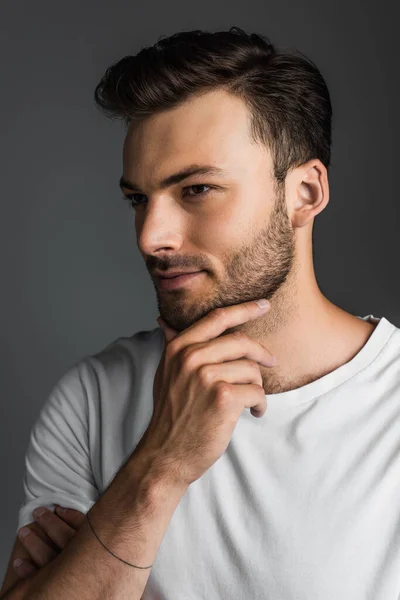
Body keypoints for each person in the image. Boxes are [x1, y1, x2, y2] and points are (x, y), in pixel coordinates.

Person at [1, 26, 399, 600]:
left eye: (196, 190)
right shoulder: (91, 400)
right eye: (138, 199)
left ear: (305, 193)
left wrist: (88, 559)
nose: (150, 237)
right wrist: (159, 466)